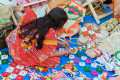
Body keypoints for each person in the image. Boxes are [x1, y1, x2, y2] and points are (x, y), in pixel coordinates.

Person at [6, 8, 75, 68]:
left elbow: (41, 38)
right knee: (55, 61)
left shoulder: (40, 20)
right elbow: (50, 54)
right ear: (59, 24)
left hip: (14, 45)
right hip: (21, 56)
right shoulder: (50, 32)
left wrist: (60, 42)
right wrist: (66, 52)